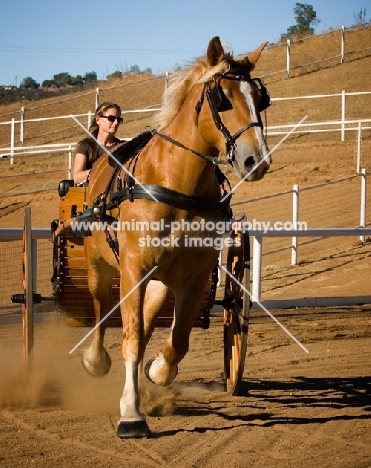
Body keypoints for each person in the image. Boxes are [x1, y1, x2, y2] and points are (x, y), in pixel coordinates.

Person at [73, 101, 123, 185]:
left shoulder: (122, 147)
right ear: (98, 119)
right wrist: (101, 170)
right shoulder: (85, 146)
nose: (116, 123)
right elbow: (77, 177)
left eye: (119, 119)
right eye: (111, 118)